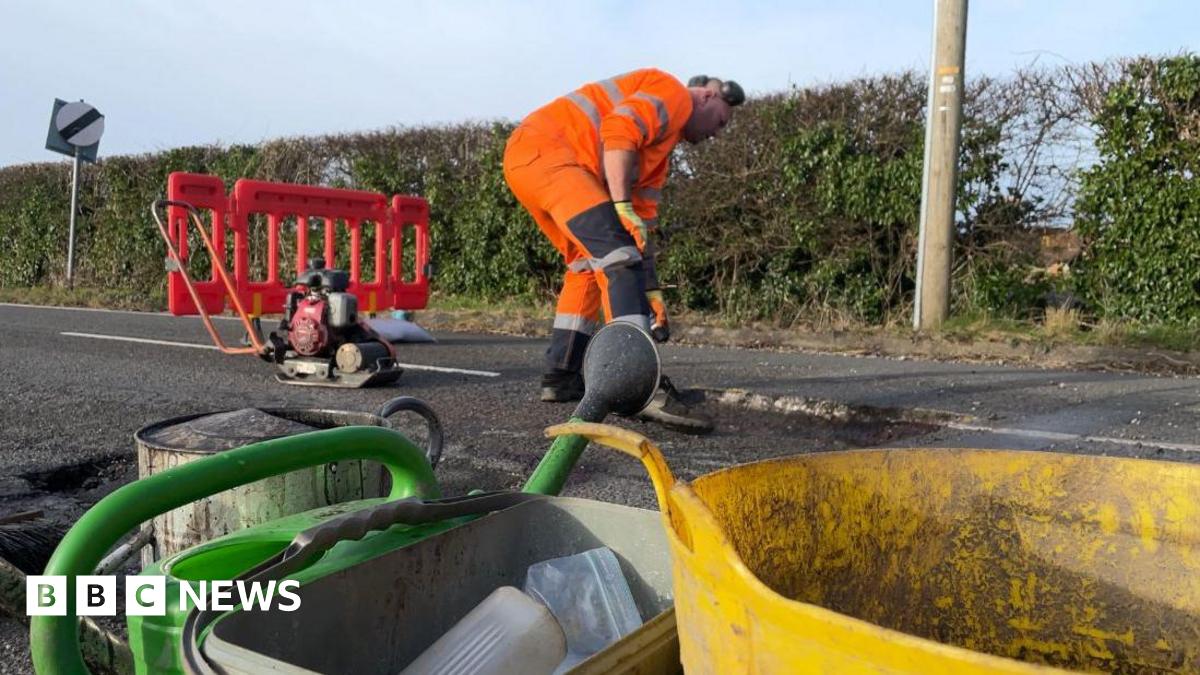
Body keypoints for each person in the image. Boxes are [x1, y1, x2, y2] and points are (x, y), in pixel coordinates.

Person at [502, 68, 744, 434]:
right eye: (721, 122)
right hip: (553, 155)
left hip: (530, 159)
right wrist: (619, 203)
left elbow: (638, 228)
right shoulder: (674, 93)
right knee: (617, 257)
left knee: (587, 265)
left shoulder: (658, 154)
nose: (716, 133)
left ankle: (562, 376)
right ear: (707, 97)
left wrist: (652, 291)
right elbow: (619, 128)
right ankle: (639, 389)